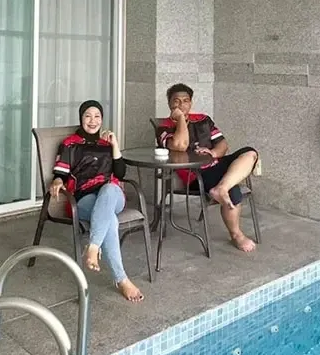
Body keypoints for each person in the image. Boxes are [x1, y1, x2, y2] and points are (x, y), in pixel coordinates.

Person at [49, 100, 144, 303]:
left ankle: (93, 247)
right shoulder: (70, 143)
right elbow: (60, 173)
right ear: (81, 118)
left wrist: (114, 144)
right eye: (88, 116)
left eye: (97, 116)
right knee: (110, 220)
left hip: (113, 196)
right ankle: (122, 279)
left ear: (102, 120)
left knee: (110, 189)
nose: (93, 121)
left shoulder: (106, 144)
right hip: (82, 199)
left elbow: (120, 172)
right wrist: (57, 180)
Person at [156, 83, 259, 253]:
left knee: (250, 153)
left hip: (214, 163)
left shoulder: (203, 119)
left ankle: (221, 188)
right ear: (169, 104)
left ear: (191, 103)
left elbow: (223, 144)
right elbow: (180, 145)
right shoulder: (163, 126)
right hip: (195, 173)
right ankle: (237, 235)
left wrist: (212, 152)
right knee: (234, 192)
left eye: (185, 101)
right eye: (176, 101)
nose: (181, 105)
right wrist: (181, 119)